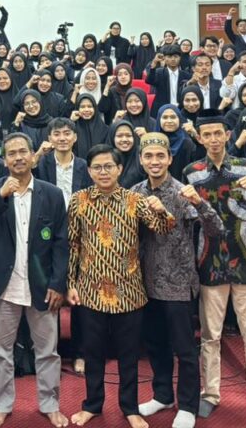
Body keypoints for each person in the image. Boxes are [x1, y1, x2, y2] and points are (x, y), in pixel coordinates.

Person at [67, 142, 175, 428]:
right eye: (97, 167)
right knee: (93, 354)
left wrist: (162, 210)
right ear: (89, 171)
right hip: (90, 290)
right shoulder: (78, 200)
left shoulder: (135, 200)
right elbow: (73, 244)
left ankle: (129, 407)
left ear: (119, 169)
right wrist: (70, 283)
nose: (103, 172)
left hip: (129, 291)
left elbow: (162, 228)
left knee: (129, 356)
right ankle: (92, 405)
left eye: (109, 166)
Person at [186, 114, 246, 422]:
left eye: (218, 133)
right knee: (210, 335)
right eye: (207, 134)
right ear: (200, 138)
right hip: (209, 261)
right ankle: (210, 393)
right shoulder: (191, 172)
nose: (213, 139)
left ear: (228, 135)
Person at [0, 132, 69, 428]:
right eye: (11, 153)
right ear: (4, 160)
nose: (18, 157)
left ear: (33, 156)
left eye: (22, 152)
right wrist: (1, 196)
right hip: (5, 285)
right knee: (1, 351)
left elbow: (61, 242)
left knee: (48, 351)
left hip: (42, 286)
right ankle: (1, 404)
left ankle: (50, 403)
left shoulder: (51, 193)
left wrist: (58, 283)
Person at [133, 136, 223, 428]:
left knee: (184, 349)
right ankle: (162, 395)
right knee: (155, 345)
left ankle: (187, 405)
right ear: (141, 159)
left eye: (160, 156)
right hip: (145, 283)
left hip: (178, 283)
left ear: (170, 159)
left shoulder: (183, 191)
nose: (154, 161)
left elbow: (216, 229)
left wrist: (200, 202)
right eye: (149, 156)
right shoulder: (135, 192)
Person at [33, 117, 92, 206]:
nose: (62, 138)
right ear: (50, 139)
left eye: (67, 134)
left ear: (75, 137)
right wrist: (38, 154)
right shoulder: (42, 163)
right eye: (56, 134)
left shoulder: (84, 165)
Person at [145, 46, 189, 118]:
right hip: (161, 108)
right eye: (169, 57)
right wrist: (154, 63)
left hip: (181, 109)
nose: (173, 59)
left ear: (180, 58)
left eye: (175, 56)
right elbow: (149, 80)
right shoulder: (159, 72)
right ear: (164, 58)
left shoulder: (186, 75)